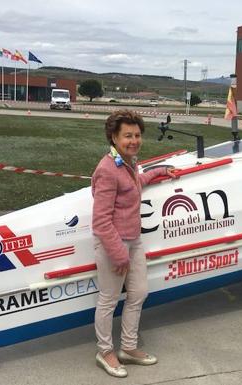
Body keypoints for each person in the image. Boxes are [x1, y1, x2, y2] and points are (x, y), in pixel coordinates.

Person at [92, 109, 177, 377]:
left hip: (134, 241)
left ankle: (127, 348)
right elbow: (101, 221)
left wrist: (162, 172)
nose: (134, 140)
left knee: (138, 293)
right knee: (108, 300)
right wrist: (119, 255)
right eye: (127, 135)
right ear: (114, 138)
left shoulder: (128, 163)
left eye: (137, 135)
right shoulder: (107, 169)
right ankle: (105, 351)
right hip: (114, 245)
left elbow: (136, 182)